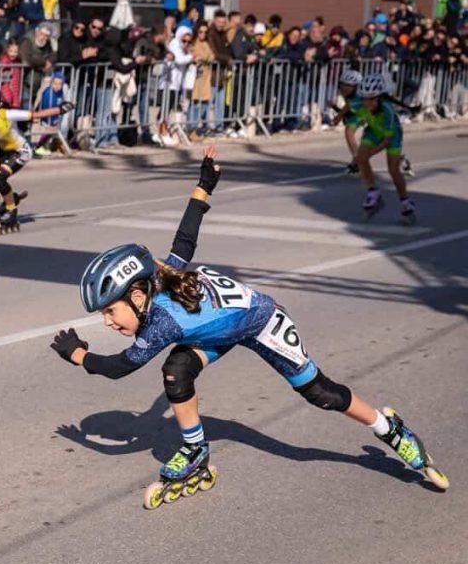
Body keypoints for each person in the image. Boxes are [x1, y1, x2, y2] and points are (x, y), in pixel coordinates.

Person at [49, 149, 448, 510]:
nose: (107, 320)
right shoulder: (162, 278)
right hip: (216, 332)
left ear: (137, 295)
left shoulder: (164, 321)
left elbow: (119, 367)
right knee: (176, 372)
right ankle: (195, 451)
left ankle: (389, 429)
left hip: (262, 322)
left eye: (110, 310)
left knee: (320, 394)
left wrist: (77, 354)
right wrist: (203, 187)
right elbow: (186, 238)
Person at [0, 83, 73, 233]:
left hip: (21, 151)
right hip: (3, 152)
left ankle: (11, 210)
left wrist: (60, 109)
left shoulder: (8, 115)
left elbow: (36, 115)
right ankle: (11, 199)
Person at [353, 73, 416, 225]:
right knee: (360, 158)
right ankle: (373, 192)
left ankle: (406, 203)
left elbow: (387, 140)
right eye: (364, 98)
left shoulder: (387, 110)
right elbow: (350, 115)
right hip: (373, 131)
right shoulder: (360, 105)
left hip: (392, 135)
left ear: (380, 98)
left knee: (393, 170)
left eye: (372, 99)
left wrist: (371, 153)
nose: (368, 102)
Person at [331, 69, 363, 175]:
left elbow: (346, 108)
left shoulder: (358, 96)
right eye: (343, 84)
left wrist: (337, 118)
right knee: (349, 132)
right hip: (357, 113)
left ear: (355, 87)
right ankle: (357, 161)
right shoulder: (345, 92)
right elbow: (346, 111)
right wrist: (334, 107)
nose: (344, 87)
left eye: (348, 85)